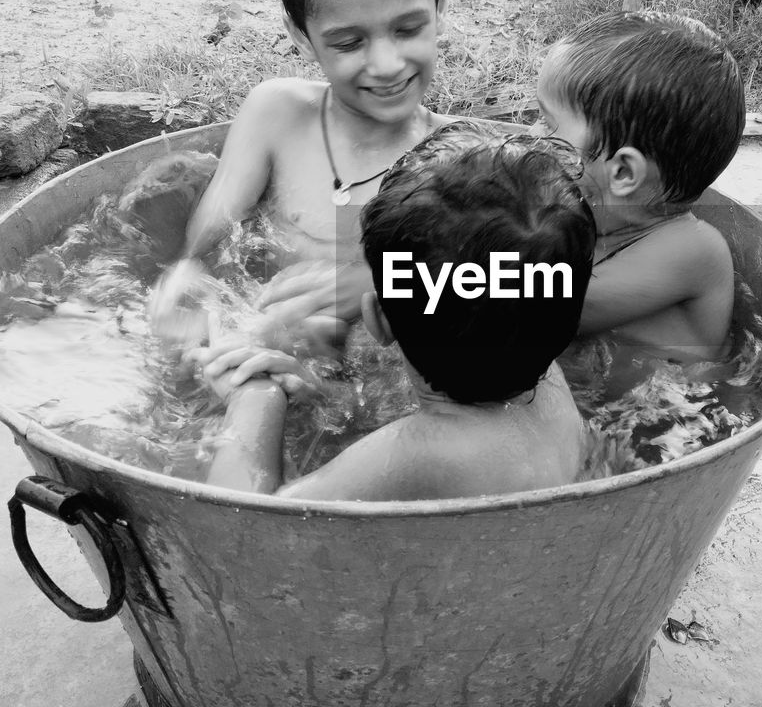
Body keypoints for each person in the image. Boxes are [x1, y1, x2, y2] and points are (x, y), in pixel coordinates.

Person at [194, 125, 595, 502]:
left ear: (378, 319)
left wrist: (255, 398)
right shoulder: (546, 381)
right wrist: (321, 397)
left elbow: (247, 521)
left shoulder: (422, 452)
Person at [149, 0, 455, 350]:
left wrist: (382, 284)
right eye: (349, 43)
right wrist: (183, 284)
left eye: (408, 30)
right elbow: (207, 242)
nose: (387, 64)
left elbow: (527, 280)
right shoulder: (277, 114)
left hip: (386, 379)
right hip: (264, 347)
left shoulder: (459, 157)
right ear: (303, 38)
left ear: (440, 8)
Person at [534, 10, 746, 393]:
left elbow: (549, 307)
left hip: (675, 411)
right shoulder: (592, 219)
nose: (532, 136)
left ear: (623, 173)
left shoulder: (693, 250)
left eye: (547, 123)